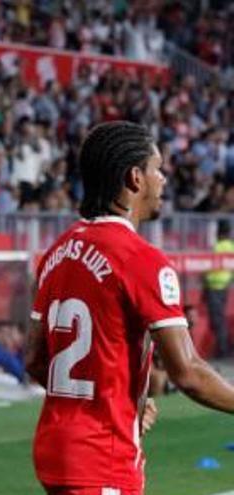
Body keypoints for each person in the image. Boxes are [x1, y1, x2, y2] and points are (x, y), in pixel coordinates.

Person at [25, 121, 234, 495]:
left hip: (56, 449)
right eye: (158, 168)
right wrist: (112, 406)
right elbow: (188, 372)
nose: (164, 180)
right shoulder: (141, 259)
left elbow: (35, 360)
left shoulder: (56, 252)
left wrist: (117, 399)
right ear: (135, 178)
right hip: (101, 459)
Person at [204, 220, 234, 358]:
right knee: (220, 319)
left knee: (217, 320)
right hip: (224, 286)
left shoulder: (217, 247)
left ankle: (223, 350)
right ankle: (223, 348)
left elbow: (208, 268)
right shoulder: (231, 246)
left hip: (214, 286)